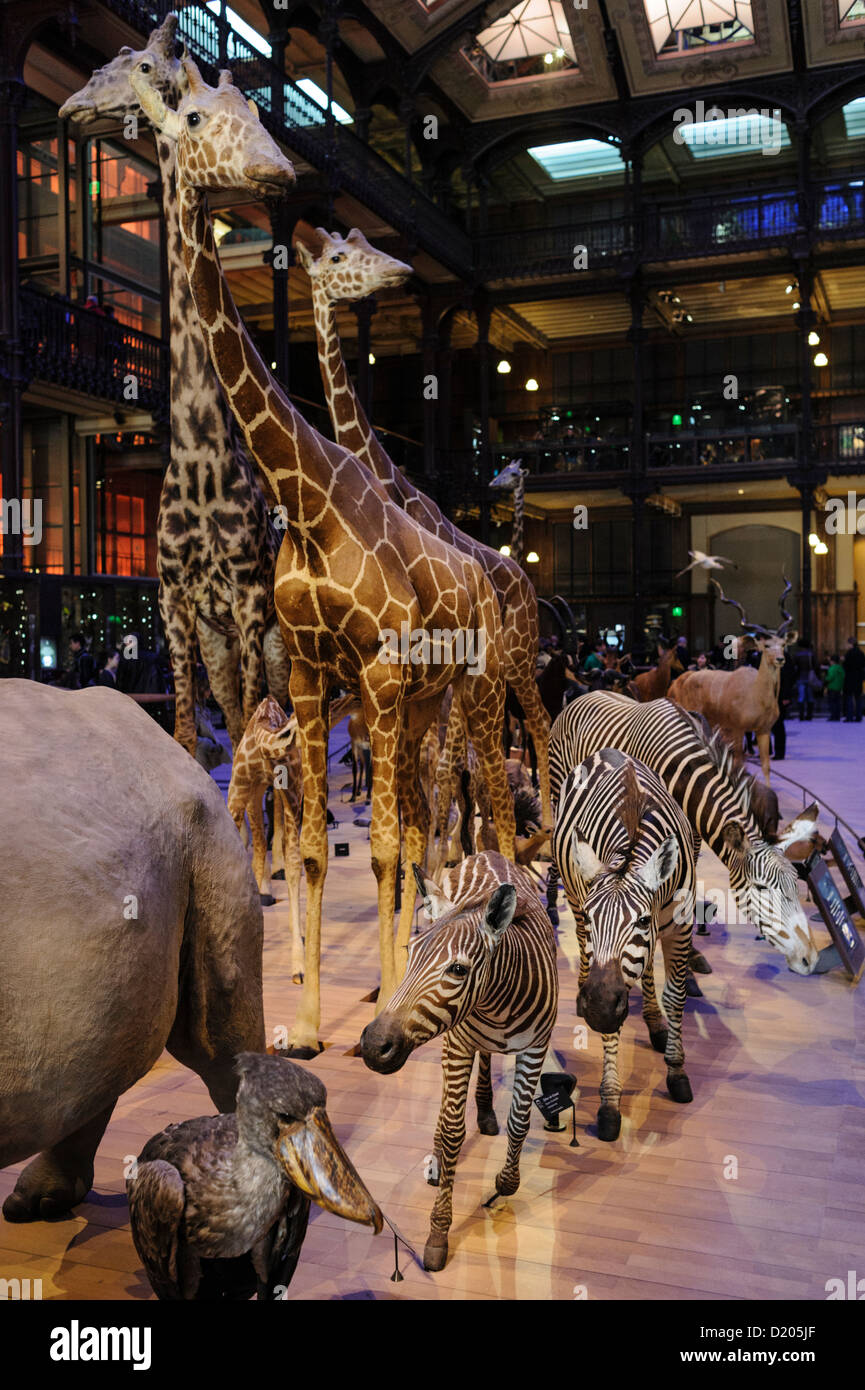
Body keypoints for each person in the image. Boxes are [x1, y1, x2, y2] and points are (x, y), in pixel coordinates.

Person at [792, 636, 819, 721]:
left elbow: (795, 667)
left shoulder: (797, 655)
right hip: (810, 677)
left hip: (800, 677)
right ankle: (809, 715)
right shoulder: (811, 654)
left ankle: (801, 715)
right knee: (810, 697)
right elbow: (816, 666)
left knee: (801, 697)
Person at [843, 636, 865, 722]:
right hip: (858, 678)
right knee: (858, 697)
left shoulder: (849, 653)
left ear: (851, 644)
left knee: (849, 697)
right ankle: (858, 716)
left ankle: (850, 716)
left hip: (850, 678)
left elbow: (846, 666)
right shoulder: (861, 653)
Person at [825, 653, 844, 722]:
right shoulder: (841, 668)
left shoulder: (832, 668)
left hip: (832, 687)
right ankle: (837, 716)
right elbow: (843, 677)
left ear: (832, 661)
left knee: (832, 702)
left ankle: (833, 716)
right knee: (838, 702)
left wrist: (825, 679)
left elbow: (830, 677)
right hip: (839, 687)